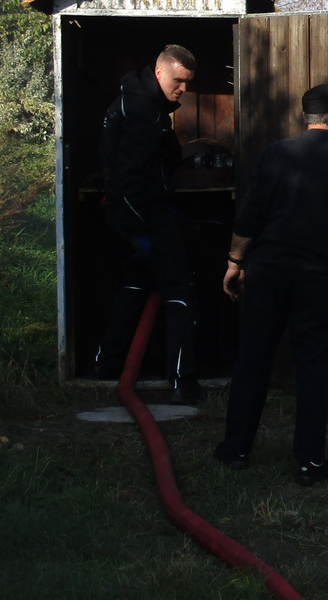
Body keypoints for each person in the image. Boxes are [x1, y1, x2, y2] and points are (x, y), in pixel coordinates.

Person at [214, 83, 328, 486]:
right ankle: (309, 462)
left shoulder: (275, 154)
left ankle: (235, 449)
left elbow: (249, 217)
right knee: (312, 368)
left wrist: (235, 262)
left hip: (268, 274)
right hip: (317, 281)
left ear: (307, 118)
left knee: (253, 359)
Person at [92, 44, 203, 406]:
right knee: (180, 291)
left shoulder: (137, 101)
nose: (183, 89)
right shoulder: (142, 111)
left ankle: (106, 369)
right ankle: (182, 383)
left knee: (135, 286)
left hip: (135, 216)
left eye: (187, 82)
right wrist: (141, 232)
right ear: (159, 72)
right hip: (142, 218)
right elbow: (126, 178)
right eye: (178, 80)